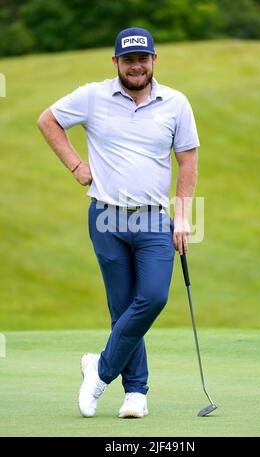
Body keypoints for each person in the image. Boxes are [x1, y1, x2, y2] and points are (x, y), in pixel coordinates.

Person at [37, 27, 199, 419]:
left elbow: (188, 161)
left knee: (154, 297)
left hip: (154, 219)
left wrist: (184, 218)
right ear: (116, 63)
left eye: (143, 58)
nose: (136, 66)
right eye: (128, 60)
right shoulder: (93, 96)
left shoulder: (176, 103)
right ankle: (136, 393)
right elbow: (47, 120)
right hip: (105, 215)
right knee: (122, 305)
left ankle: (100, 368)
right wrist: (76, 166)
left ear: (154, 60)